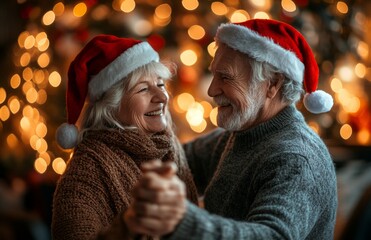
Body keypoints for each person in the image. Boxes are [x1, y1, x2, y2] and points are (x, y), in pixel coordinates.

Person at [124, 19, 338, 239]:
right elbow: (172, 161)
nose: (211, 90)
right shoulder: (238, 135)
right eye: (214, 74)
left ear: (273, 84)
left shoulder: (296, 159)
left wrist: (181, 221)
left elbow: (273, 236)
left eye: (225, 77)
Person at [51, 35, 198, 240]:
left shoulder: (167, 145)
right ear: (111, 107)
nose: (162, 97)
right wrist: (132, 224)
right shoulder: (85, 174)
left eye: (161, 84)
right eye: (144, 89)